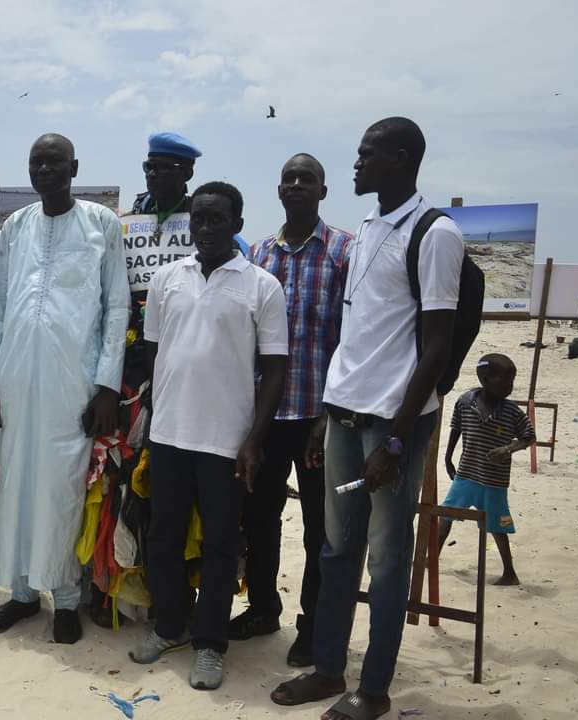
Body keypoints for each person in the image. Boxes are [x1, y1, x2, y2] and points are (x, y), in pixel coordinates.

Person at [271, 117, 464, 720]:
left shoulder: (435, 233)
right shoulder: (368, 230)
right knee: (334, 548)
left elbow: (437, 345)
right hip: (345, 413)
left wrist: (401, 439)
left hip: (392, 423)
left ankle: (374, 689)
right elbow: (356, 332)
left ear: (401, 159)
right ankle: (329, 669)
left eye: (366, 155)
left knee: (385, 557)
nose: (356, 165)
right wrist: (329, 413)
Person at [129, 182, 288, 690]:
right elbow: (155, 351)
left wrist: (254, 439)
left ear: (237, 224)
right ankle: (171, 626)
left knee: (220, 544)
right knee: (163, 536)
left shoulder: (262, 286)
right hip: (170, 434)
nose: (206, 228)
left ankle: (210, 644)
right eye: (199, 218)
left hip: (226, 440)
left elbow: (275, 370)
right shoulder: (167, 278)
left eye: (218, 219)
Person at [0, 133, 128, 644]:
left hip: (74, 379)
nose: (45, 170)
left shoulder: (101, 223)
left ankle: (65, 598)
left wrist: (107, 385)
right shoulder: (15, 227)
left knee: (64, 486)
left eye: (54, 162)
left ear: (74, 167)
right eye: (36, 162)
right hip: (17, 378)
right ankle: (22, 594)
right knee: (16, 482)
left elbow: (116, 309)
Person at [233, 154, 352, 668]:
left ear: (323, 191)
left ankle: (313, 625)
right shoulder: (258, 254)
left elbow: (351, 339)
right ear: (279, 190)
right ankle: (262, 609)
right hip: (264, 415)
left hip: (318, 418)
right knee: (258, 518)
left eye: (308, 179)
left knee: (319, 528)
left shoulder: (345, 252)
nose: (297, 185)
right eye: (289, 179)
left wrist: (332, 412)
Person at [440, 354, 534, 585]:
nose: (509, 388)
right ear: (484, 379)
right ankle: (430, 556)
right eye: (504, 382)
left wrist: (509, 448)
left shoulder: (512, 412)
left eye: (512, 382)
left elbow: (529, 437)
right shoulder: (465, 402)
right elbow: (456, 429)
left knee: (497, 526)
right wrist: (448, 457)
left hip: (494, 480)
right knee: (447, 514)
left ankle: (509, 572)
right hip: (466, 473)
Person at [131, 131, 200, 217]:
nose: (151, 174)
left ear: (187, 174)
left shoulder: (198, 215)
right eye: (149, 167)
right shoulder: (139, 209)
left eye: (162, 167)